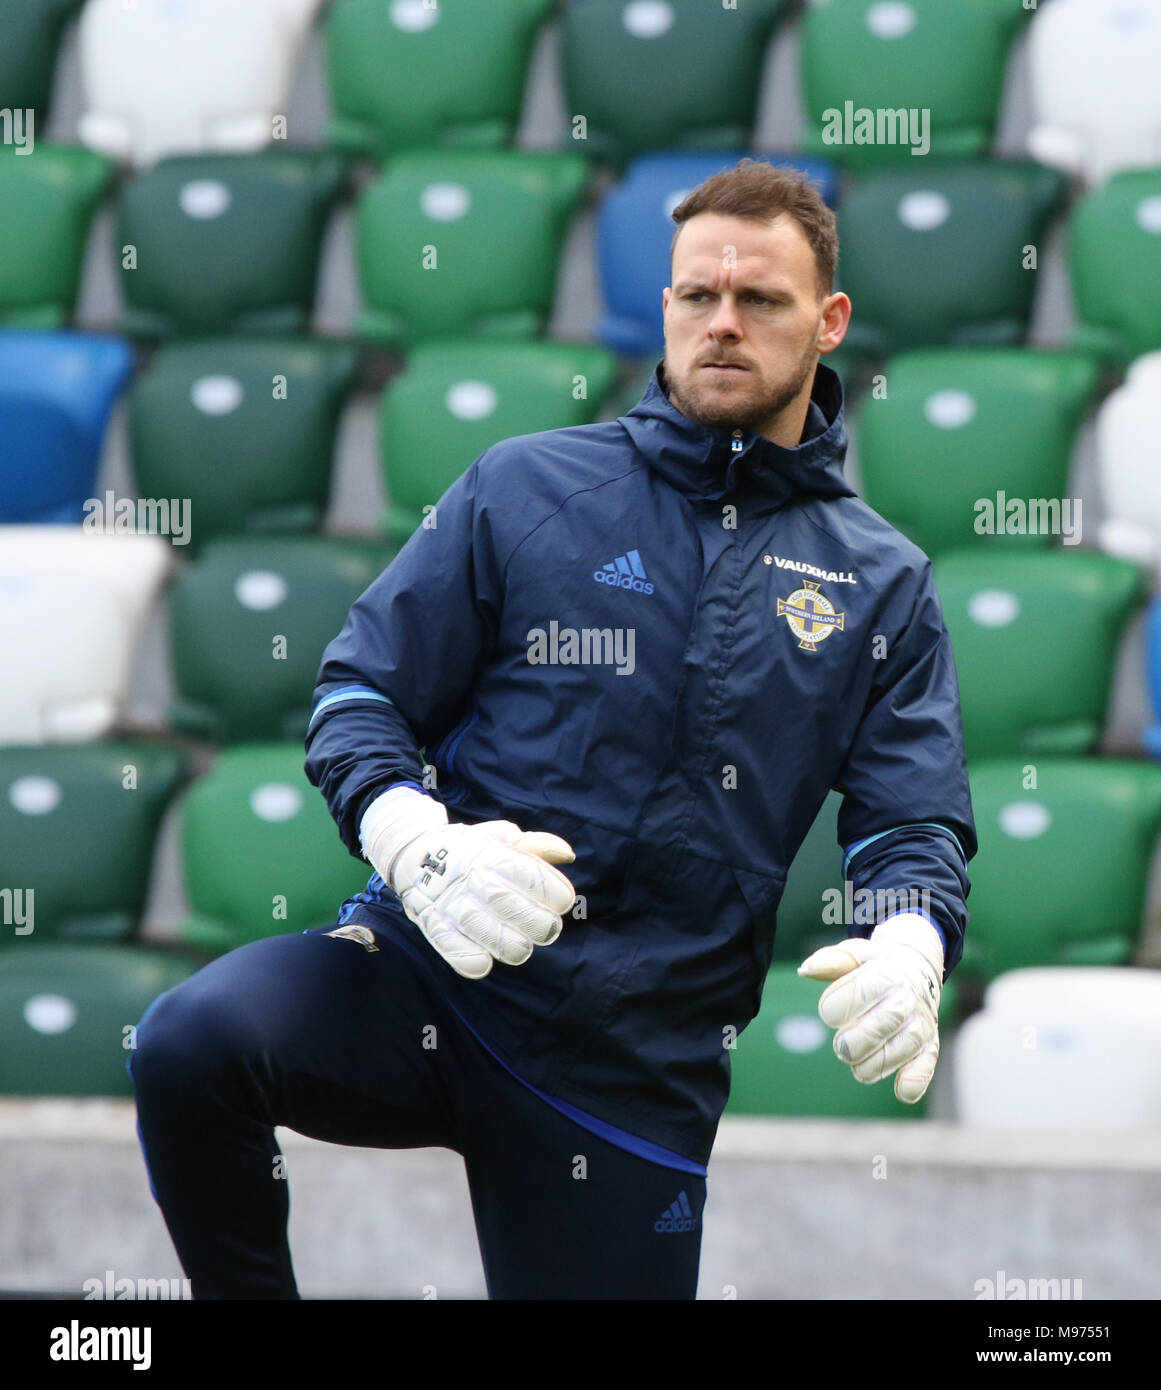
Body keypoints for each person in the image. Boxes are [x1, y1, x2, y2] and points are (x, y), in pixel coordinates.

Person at [130, 158, 975, 1300]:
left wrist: (912, 942)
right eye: (695, 296)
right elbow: (357, 696)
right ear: (666, 308)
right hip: (439, 973)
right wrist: (416, 845)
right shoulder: (525, 488)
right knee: (190, 1043)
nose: (721, 323)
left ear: (829, 322)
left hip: (634, 1069)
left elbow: (911, 822)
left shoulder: (882, 581)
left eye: (760, 300)